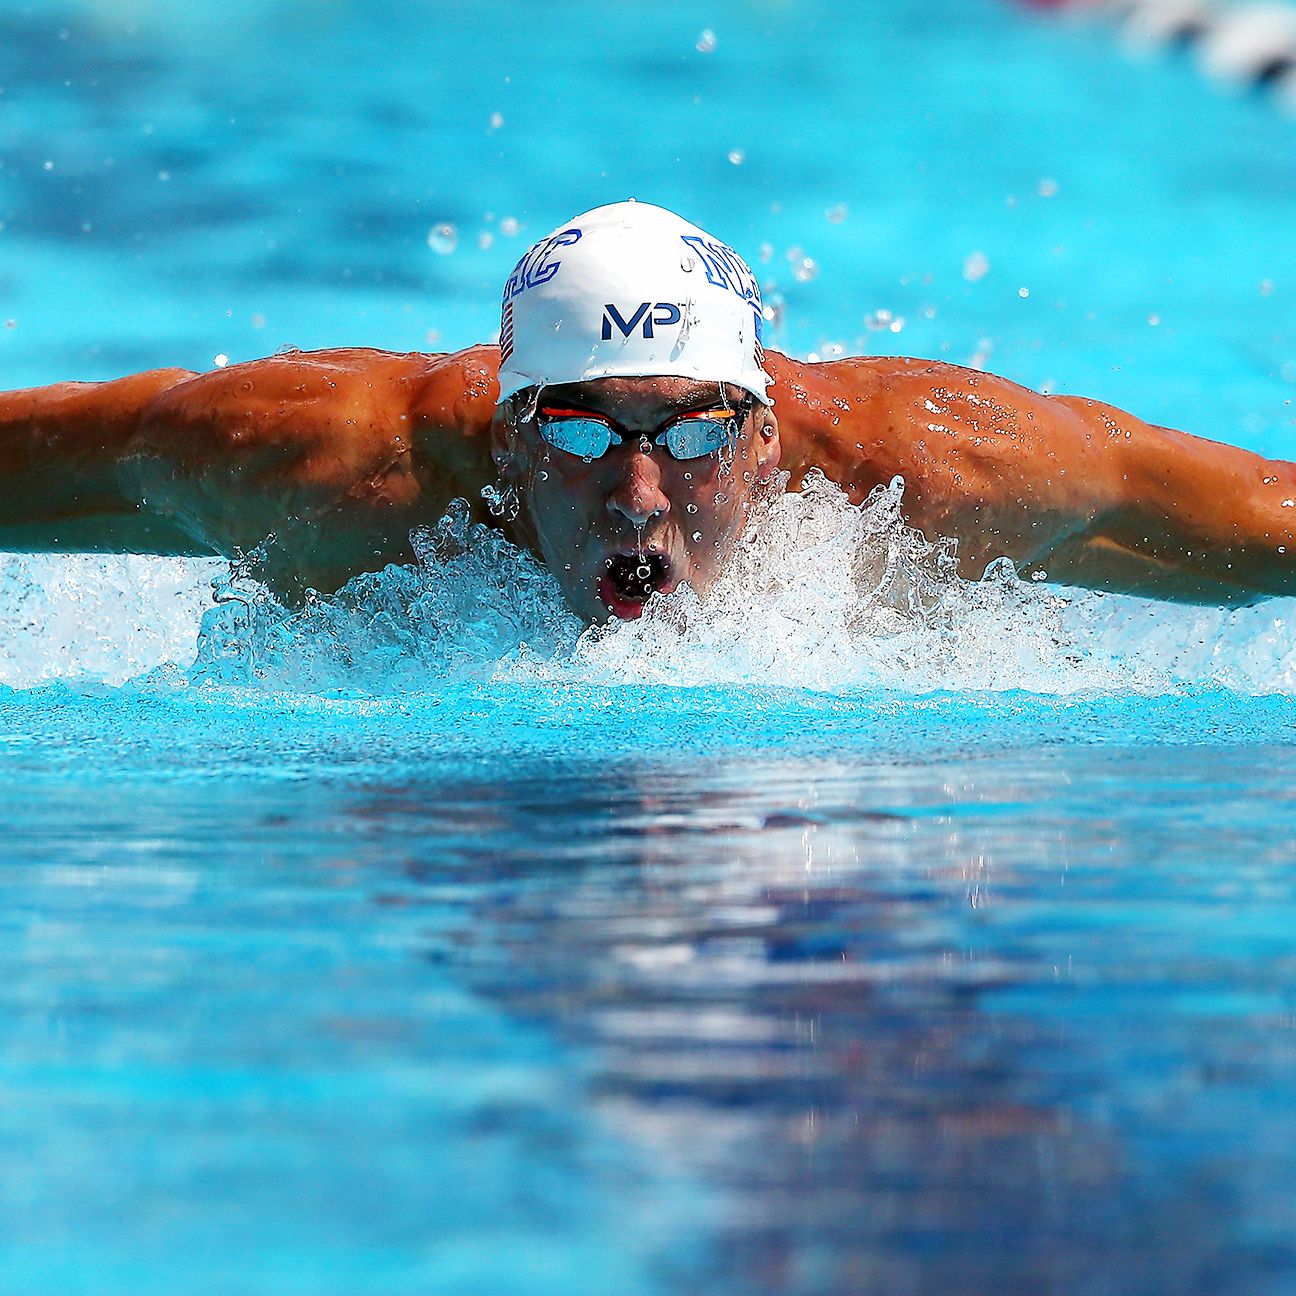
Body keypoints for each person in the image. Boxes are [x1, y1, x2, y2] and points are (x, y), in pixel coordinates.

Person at [2, 200, 1294, 619]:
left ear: (768, 430)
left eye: (691, 433)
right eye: (575, 432)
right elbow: (49, 463)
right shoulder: (336, 470)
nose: (638, 496)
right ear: (507, 437)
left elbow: (1261, 524)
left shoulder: (915, 478)